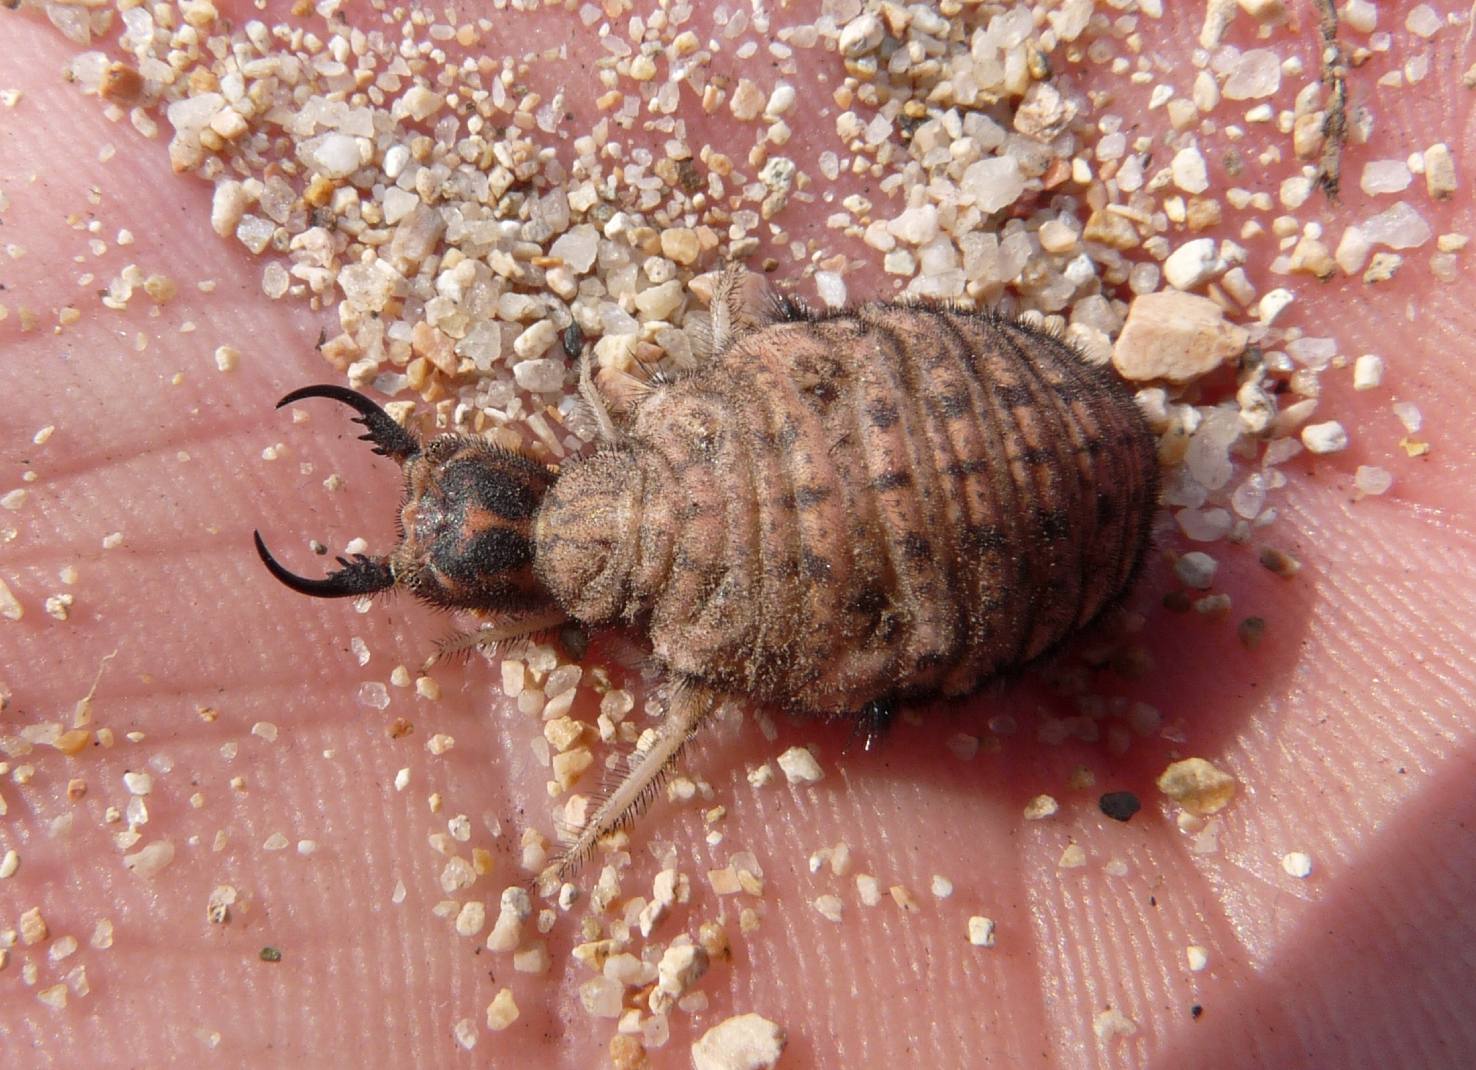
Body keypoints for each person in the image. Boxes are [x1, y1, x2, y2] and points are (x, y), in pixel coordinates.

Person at [1, 2, 1472, 1066]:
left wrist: (576, 847)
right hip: (1000, 442)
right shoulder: (685, 423)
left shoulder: (703, 632)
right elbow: (770, 328)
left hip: (1031, 500)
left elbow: (655, 747)